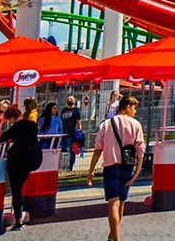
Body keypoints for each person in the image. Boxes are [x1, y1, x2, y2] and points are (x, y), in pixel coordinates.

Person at [86, 95, 145, 241]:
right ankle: (114, 236)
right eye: (134, 108)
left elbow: (97, 149)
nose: (135, 111)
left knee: (113, 202)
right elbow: (140, 150)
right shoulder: (136, 124)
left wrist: (91, 170)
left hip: (110, 166)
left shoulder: (106, 124)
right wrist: (137, 171)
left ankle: (113, 236)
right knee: (121, 202)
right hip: (127, 167)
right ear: (127, 107)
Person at [2, 98, 42, 231]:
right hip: (32, 160)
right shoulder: (31, 125)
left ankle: (18, 218)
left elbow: (0, 138)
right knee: (19, 186)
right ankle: (19, 214)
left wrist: (1, 124)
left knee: (16, 189)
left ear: (12, 118)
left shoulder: (16, 127)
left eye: (9, 120)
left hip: (18, 161)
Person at [59, 95, 83, 165]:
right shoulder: (64, 110)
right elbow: (61, 120)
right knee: (63, 150)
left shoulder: (76, 110)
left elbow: (78, 121)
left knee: (71, 151)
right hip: (64, 134)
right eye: (69, 98)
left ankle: (70, 167)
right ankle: (63, 166)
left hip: (72, 134)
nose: (70, 99)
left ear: (74, 101)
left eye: (72, 99)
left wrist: (79, 132)